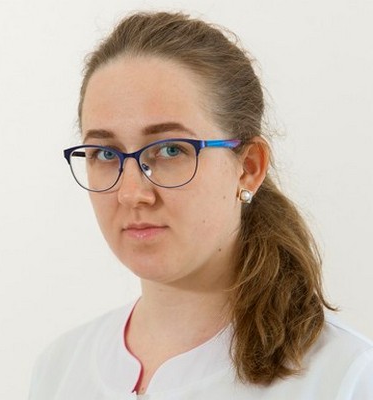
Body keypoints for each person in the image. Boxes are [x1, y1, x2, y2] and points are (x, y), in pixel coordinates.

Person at [29, 11, 373, 399]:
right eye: (105, 154)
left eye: (170, 150)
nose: (132, 193)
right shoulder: (60, 370)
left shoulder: (343, 378)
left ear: (248, 167)